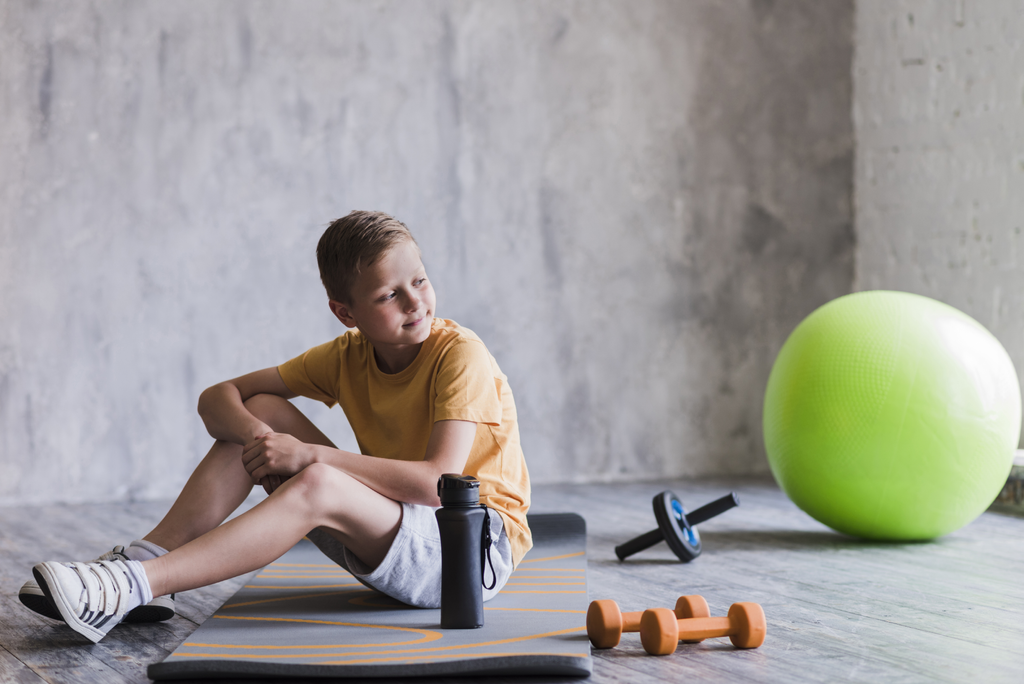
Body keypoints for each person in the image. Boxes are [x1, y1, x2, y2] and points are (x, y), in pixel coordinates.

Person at [20, 210, 532, 643]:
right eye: (388, 295)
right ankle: (151, 556)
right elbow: (217, 398)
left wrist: (309, 456)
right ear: (344, 313)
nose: (414, 301)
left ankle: (130, 586)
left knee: (318, 478)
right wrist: (261, 440)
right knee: (263, 407)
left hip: (469, 555)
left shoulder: (461, 355)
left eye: (418, 280)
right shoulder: (346, 356)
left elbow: (438, 485)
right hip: (395, 532)